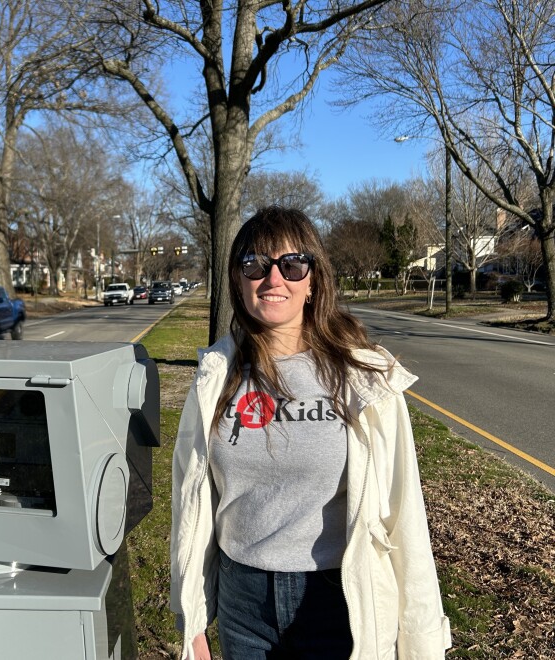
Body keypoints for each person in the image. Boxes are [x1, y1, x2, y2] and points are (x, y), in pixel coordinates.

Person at [170, 207, 451, 659]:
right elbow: (192, 505)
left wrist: (420, 638)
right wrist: (193, 618)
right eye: (254, 264)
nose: (273, 278)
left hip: (338, 597)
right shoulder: (214, 378)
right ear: (238, 281)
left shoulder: (365, 378)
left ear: (313, 279)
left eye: (291, 264)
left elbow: (405, 512)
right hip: (242, 599)